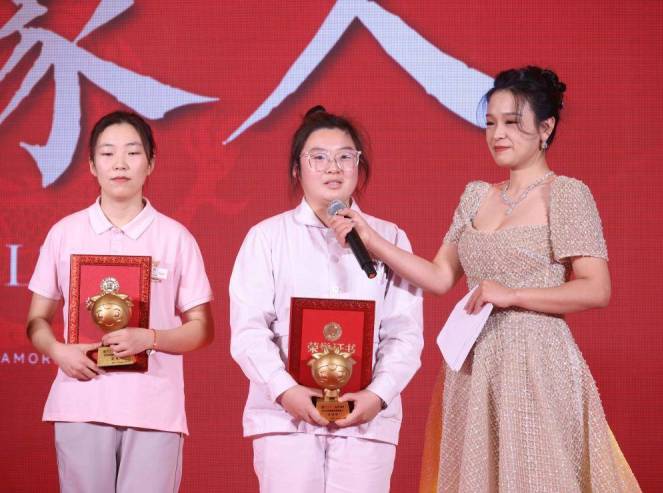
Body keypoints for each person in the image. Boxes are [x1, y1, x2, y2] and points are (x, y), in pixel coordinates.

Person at [330, 67, 641, 492]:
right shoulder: (476, 195)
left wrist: (512, 294)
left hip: (537, 361)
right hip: (473, 365)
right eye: (491, 123)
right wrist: (371, 239)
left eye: (512, 122)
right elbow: (440, 276)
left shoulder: (566, 193)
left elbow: (595, 287)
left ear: (545, 128)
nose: (498, 134)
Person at [229, 106, 423, 493]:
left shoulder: (389, 238)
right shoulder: (267, 237)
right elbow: (249, 329)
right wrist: (284, 390)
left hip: (365, 419)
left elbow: (405, 333)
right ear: (297, 170)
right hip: (285, 418)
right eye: (318, 157)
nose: (333, 167)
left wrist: (378, 395)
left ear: (358, 166)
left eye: (345, 156)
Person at [26, 111, 214, 492]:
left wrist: (151, 338)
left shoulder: (175, 238)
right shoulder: (65, 233)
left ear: (151, 162)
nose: (120, 164)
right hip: (81, 401)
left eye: (133, 152)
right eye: (108, 153)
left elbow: (202, 329)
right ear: (91, 165)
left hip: (153, 408)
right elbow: (36, 320)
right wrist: (58, 351)